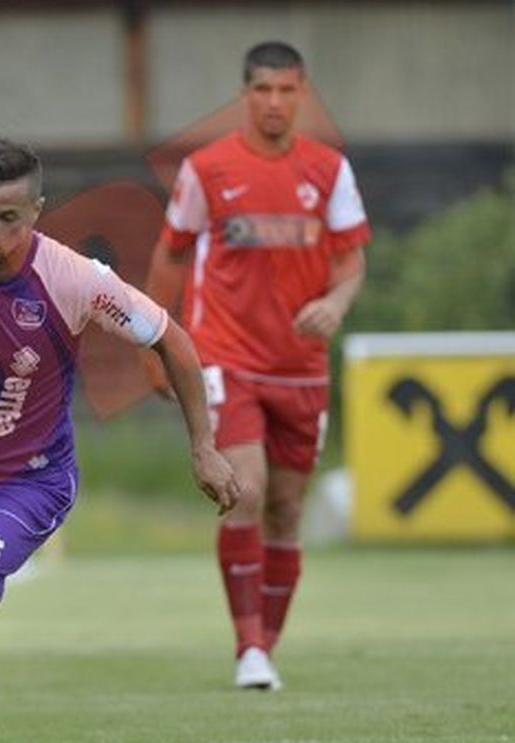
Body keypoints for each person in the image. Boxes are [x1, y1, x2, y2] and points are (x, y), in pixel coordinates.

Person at [0, 138, 239, 743]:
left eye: (8, 217)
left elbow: (172, 339)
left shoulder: (75, 279)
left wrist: (203, 446)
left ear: (36, 213)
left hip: (27, 480)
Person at [141, 41, 371, 691]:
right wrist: (155, 345)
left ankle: (263, 645)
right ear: (246, 94)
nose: (274, 102)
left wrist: (335, 300)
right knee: (248, 488)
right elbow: (170, 255)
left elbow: (351, 262)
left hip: (301, 367)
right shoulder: (207, 170)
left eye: (287, 90)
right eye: (263, 90)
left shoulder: (329, 171)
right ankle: (247, 646)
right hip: (227, 355)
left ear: (302, 94)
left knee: (288, 510)